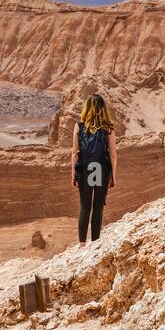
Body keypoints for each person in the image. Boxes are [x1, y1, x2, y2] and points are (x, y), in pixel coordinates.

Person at [70, 94, 118, 244]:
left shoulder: (79, 126)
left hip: (85, 169)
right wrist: (113, 176)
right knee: (97, 208)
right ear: (103, 109)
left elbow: (74, 152)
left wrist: (73, 175)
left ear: (87, 108)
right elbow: (113, 155)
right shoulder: (108, 127)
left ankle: (82, 244)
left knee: (85, 208)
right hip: (100, 170)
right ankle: (95, 243)